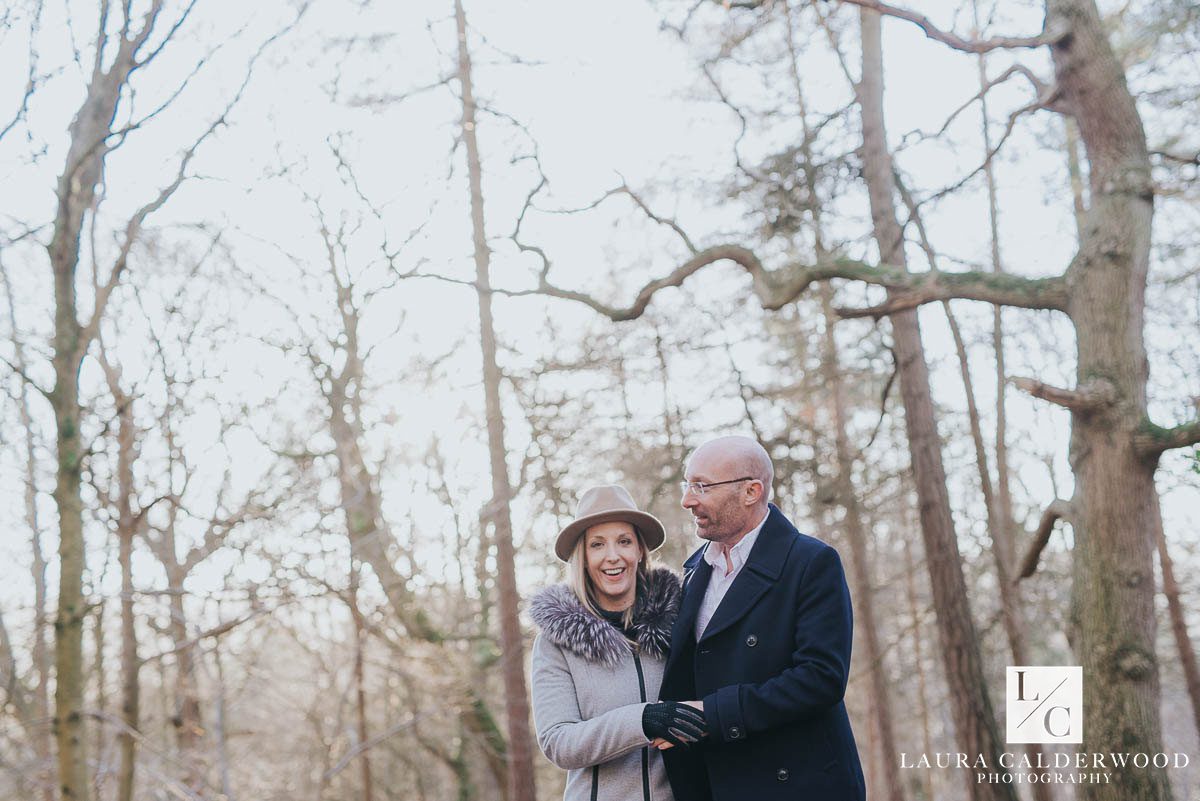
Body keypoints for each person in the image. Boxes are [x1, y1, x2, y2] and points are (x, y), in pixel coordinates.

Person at [659, 436, 866, 801]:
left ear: (751, 491)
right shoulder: (694, 569)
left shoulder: (811, 562)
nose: (687, 500)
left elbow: (821, 679)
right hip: (720, 783)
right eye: (687, 485)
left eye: (701, 486)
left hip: (799, 784)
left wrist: (712, 714)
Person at [530, 484, 706, 801]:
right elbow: (558, 742)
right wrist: (643, 720)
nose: (613, 556)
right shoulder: (555, 643)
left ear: (640, 550)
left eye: (624, 541)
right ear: (582, 557)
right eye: (597, 545)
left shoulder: (681, 620)